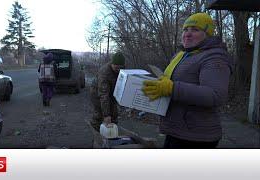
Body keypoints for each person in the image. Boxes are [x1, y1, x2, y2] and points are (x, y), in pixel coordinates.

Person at [142, 13, 233, 148]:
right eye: (185, 29)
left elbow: (215, 95)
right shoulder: (183, 55)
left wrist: (172, 88)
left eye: (195, 30)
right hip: (177, 130)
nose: (188, 34)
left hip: (197, 136)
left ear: (207, 34)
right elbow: (173, 83)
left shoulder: (214, 57)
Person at [90, 52, 125, 131]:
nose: (118, 70)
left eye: (121, 68)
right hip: (97, 93)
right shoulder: (104, 73)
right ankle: (96, 135)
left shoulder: (123, 70)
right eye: (116, 68)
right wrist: (106, 115)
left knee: (114, 115)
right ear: (112, 64)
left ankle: (112, 135)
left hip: (112, 92)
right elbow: (103, 94)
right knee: (99, 115)